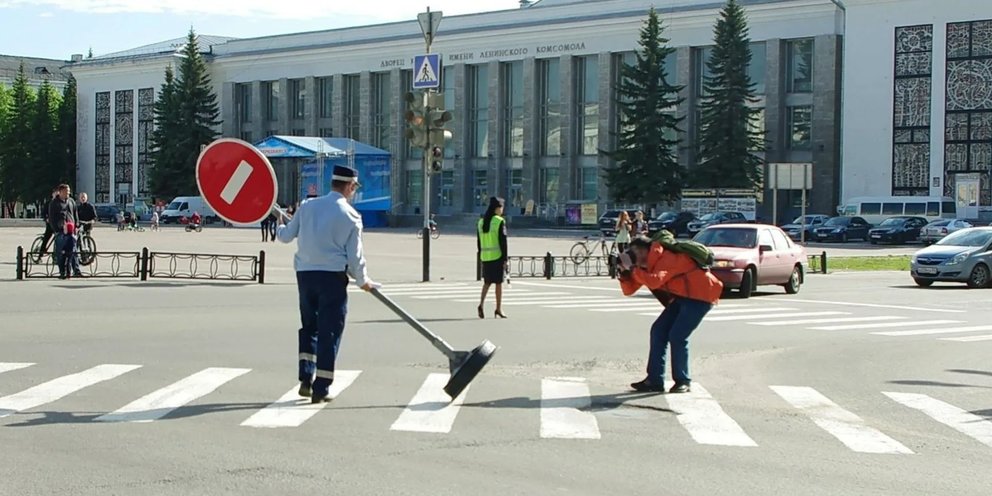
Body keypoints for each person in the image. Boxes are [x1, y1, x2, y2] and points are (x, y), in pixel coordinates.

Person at [276, 165, 377, 404]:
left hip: (305, 276)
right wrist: (363, 281)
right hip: (332, 278)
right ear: (350, 186)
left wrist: (281, 223)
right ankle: (321, 387)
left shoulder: (307, 206)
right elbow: (355, 257)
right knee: (329, 332)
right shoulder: (351, 216)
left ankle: (305, 378)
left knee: (309, 327)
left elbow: (285, 236)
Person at [617, 235, 723, 394]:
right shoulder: (646, 264)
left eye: (634, 253)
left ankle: (683, 381)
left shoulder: (667, 257)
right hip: (682, 296)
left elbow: (654, 281)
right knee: (658, 331)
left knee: (678, 336)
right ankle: (654, 380)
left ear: (644, 250)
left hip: (701, 295)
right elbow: (629, 290)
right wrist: (623, 273)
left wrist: (632, 268)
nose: (632, 257)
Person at [477, 196, 508, 319]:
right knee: (498, 284)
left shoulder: (481, 222)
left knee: (487, 283)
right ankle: (498, 309)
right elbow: (503, 242)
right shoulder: (499, 221)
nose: (502, 210)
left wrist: (480, 255)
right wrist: (505, 259)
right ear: (497, 208)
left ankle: (481, 304)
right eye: (501, 208)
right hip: (497, 256)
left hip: (485, 257)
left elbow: (478, 242)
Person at [48, 184, 79, 277]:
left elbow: (75, 214)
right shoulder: (54, 203)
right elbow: (52, 219)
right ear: (60, 192)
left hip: (72, 231)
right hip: (61, 232)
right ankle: (63, 272)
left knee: (74, 252)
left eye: (69, 191)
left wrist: (76, 225)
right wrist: (57, 230)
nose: (68, 193)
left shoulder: (71, 201)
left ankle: (76, 271)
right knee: (61, 253)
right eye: (66, 191)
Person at [39, 188, 59, 256]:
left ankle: (55, 255)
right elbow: (43, 213)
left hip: (58, 224)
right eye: (55, 193)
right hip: (50, 224)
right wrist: (46, 218)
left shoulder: (60, 203)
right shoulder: (48, 203)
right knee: (47, 238)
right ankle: (40, 254)